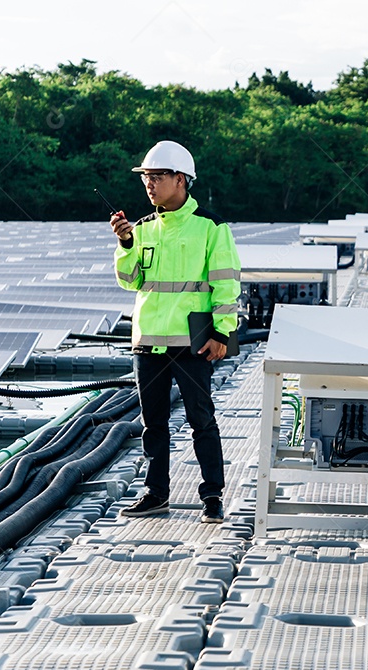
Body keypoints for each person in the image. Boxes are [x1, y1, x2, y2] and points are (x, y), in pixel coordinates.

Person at [110, 140, 241, 523]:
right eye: (145, 177)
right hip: (148, 338)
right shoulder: (143, 228)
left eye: (156, 176)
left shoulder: (212, 228)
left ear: (180, 179)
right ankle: (156, 493)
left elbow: (226, 284)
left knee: (202, 419)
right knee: (154, 424)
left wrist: (223, 333)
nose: (148, 184)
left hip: (194, 341)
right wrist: (125, 243)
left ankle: (212, 495)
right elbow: (130, 281)